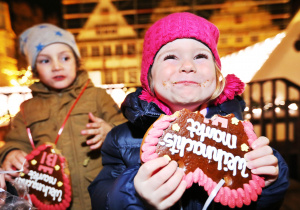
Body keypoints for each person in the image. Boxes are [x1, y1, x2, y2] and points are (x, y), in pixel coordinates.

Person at [88, 12, 289, 209]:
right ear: (149, 77)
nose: (187, 65)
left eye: (200, 56)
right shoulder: (120, 139)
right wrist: (134, 193)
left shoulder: (241, 139)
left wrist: (268, 182)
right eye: (171, 57)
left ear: (217, 74)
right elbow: (100, 197)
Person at [0, 23, 127, 209]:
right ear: (34, 68)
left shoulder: (98, 97)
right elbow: (15, 140)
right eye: (45, 61)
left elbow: (125, 130)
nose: (57, 66)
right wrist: (10, 153)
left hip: (101, 194)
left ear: (76, 61)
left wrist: (110, 131)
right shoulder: (27, 109)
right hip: (50, 198)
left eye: (65, 58)